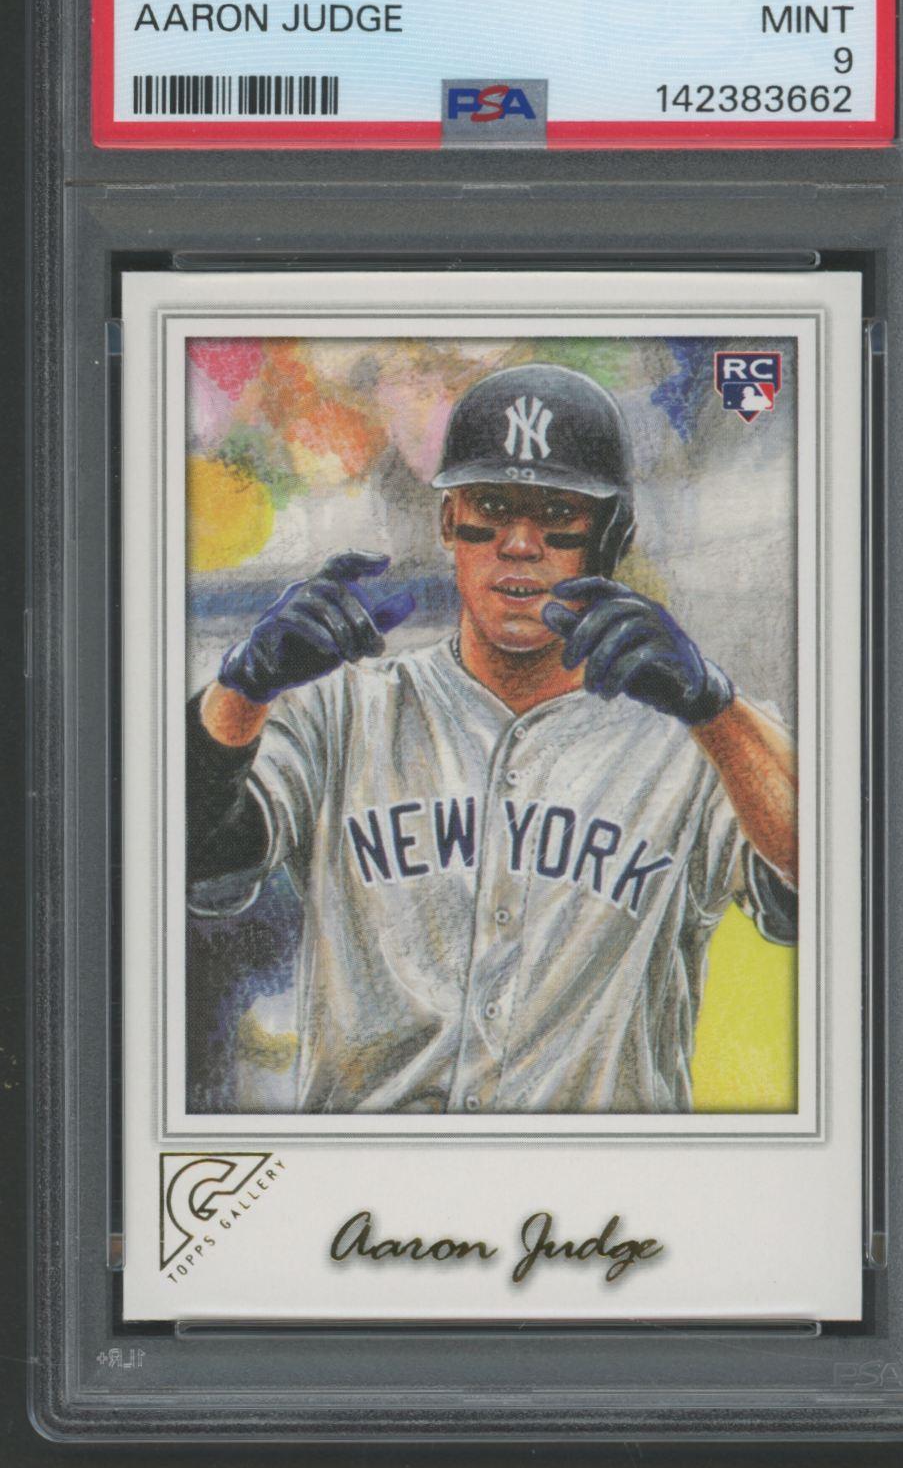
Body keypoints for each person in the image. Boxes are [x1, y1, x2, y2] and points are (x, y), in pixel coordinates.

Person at [187, 363, 797, 1114]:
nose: (518, 543)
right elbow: (194, 860)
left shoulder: (702, 741)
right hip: (371, 1177)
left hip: (605, 1182)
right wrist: (242, 691)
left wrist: (714, 711)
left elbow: (839, 889)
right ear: (449, 521)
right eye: (492, 506)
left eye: (557, 512)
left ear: (613, 534)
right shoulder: (343, 709)